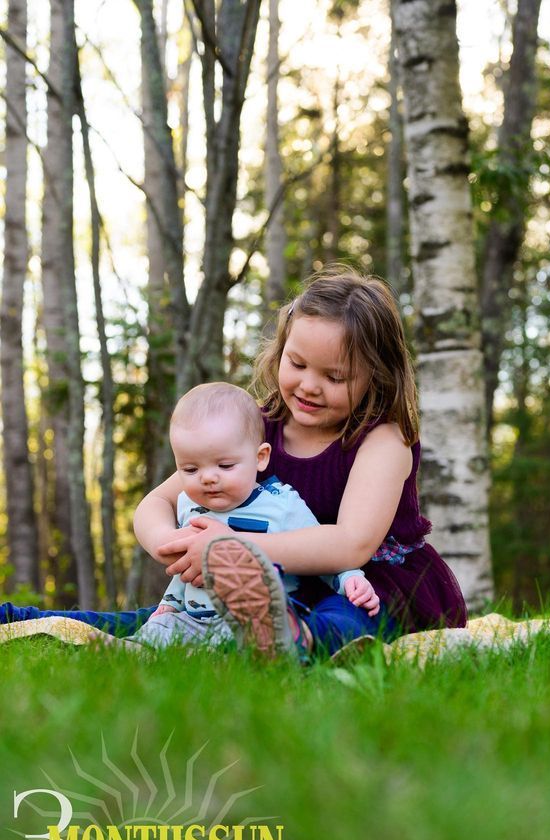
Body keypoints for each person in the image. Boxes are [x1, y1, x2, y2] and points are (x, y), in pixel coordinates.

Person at [1, 268, 467, 655]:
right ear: (280, 351)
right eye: (298, 363)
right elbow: (157, 502)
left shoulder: (382, 440)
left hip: (368, 585)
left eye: (335, 376)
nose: (309, 385)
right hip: (273, 584)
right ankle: (19, 619)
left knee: (344, 619)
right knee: (164, 620)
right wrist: (178, 544)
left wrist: (234, 550)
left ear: (376, 375)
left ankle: (295, 643)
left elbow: (350, 545)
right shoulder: (252, 429)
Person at [125, 382, 379, 654]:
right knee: (158, 628)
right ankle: (126, 650)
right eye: (190, 469)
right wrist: (170, 604)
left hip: (258, 620)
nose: (208, 477)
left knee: (235, 642)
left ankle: (240, 653)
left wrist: (351, 578)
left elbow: (324, 551)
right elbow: (186, 570)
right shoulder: (189, 504)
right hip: (193, 617)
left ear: (260, 458)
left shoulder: (281, 506)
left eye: (225, 466)